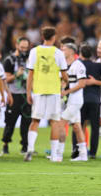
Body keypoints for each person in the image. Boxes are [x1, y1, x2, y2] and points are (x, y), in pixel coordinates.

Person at [24, 26, 68, 162]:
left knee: (35, 120)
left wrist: (28, 92)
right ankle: (54, 155)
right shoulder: (59, 53)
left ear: (42, 37)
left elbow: (30, 74)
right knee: (54, 122)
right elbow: (64, 74)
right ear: (54, 37)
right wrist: (64, 81)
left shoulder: (34, 52)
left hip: (38, 90)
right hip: (54, 91)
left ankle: (30, 147)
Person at [56, 43, 88, 162]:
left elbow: (82, 84)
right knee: (76, 127)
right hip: (66, 101)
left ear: (71, 51)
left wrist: (66, 91)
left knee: (60, 124)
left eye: (64, 49)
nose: (62, 50)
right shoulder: (63, 65)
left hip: (75, 101)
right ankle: (83, 155)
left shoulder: (78, 65)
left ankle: (58, 154)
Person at [2, 37, 32, 154]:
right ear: (16, 45)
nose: (24, 50)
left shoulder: (30, 60)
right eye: (22, 47)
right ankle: (5, 144)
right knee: (10, 122)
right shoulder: (9, 60)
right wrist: (17, 75)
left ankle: (25, 146)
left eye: (26, 47)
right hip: (14, 95)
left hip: (26, 95)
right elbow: (6, 79)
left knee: (26, 122)